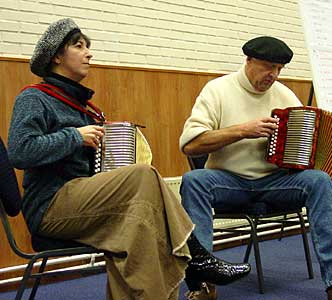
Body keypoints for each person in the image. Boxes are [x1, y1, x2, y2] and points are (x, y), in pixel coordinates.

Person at [7, 18, 251, 300]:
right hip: (51, 205)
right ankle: (197, 257)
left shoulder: (84, 108)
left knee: (140, 229)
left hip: (86, 203)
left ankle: (192, 270)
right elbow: (20, 151)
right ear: (57, 56)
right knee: (144, 175)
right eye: (79, 46)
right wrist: (75, 137)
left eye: (88, 46)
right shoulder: (34, 98)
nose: (89, 53)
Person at [179, 36, 332, 300]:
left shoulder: (285, 96)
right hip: (228, 182)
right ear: (249, 60)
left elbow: (314, 152)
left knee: (319, 180)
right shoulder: (217, 90)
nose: (273, 75)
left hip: (275, 183)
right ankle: (203, 284)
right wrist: (242, 130)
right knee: (194, 180)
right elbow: (191, 145)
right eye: (268, 66)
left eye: (279, 69)